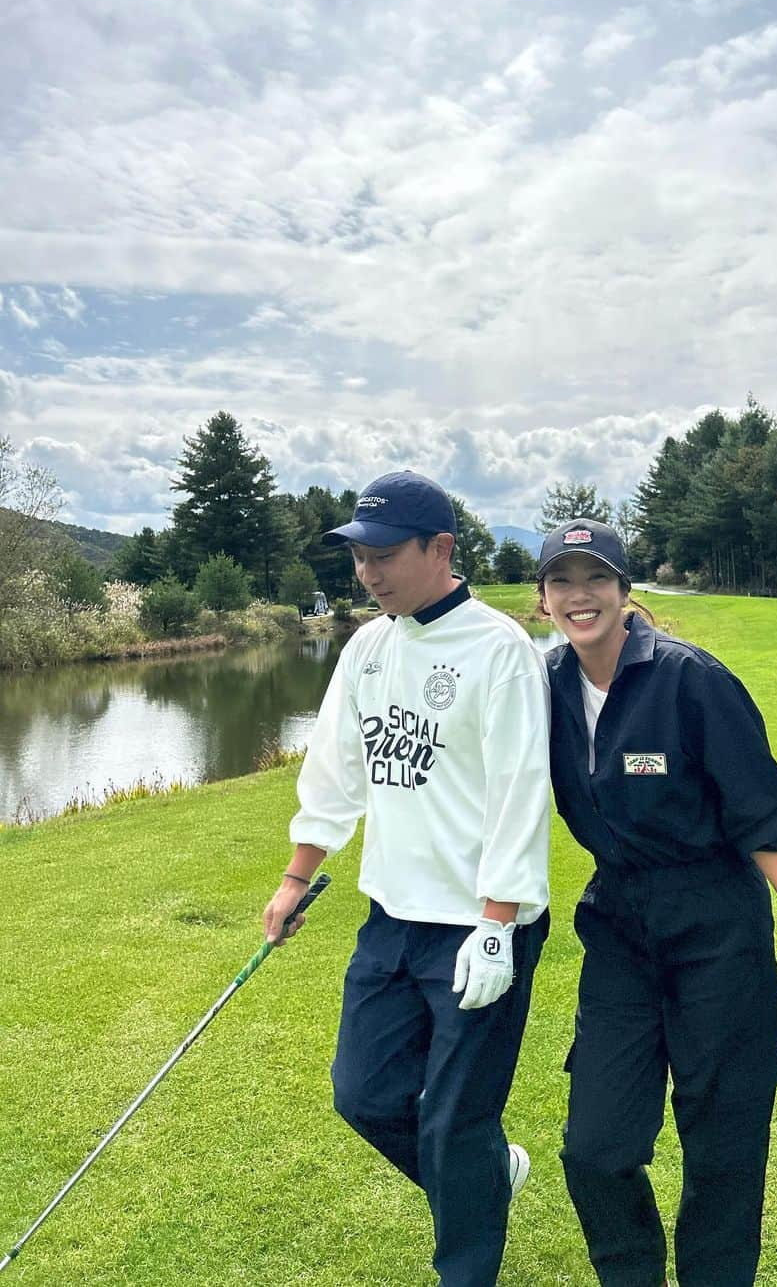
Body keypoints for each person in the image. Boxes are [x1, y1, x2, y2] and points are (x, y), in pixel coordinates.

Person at [537, 517, 777, 1287]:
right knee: (595, 1148)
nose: (581, 597)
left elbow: (761, 815)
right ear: (544, 598)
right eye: (563, 583)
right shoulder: (539, 684)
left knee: (722, 1140)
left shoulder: (691, 678)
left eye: (597, 580)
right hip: (619, 928)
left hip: (717, 928)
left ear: (624, 591)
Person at [263, 470, 551, 1287]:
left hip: (480, 926)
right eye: (360, 558)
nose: (369, 573)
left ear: (442, 549)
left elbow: (520, 795)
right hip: (392, 919)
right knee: (362, 1095)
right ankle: (488, 1178)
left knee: (456, 1124)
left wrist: (497, 924)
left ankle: (466, 1253)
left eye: (386, 556)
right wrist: (295, 878)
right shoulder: (369, 646)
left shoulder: (501, 651)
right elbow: (334, 772)